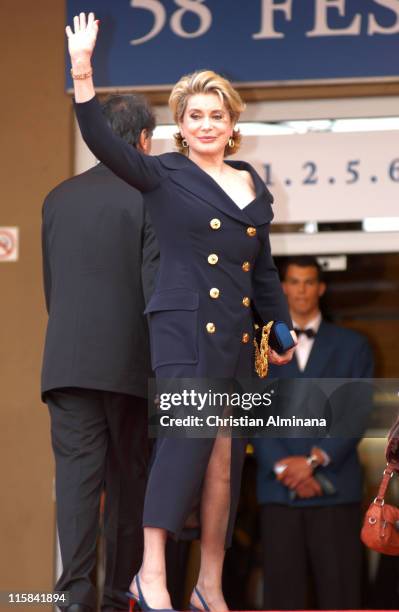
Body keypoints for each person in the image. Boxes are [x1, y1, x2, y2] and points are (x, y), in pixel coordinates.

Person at [65, 13, 296, 611]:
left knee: (224, 459)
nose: (206, 123)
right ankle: (152, 574)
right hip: (184, 328)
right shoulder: (161, 173)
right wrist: (82, 70)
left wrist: (281, 327)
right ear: (180, 125)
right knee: (183, 444)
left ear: (232, 122)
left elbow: (262, 267)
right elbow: (100, 139)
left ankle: (210, 584)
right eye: (194, 115)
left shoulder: (250, 185)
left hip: (237, 341)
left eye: (217, 114)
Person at [42, 94, 159, 612]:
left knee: (75, 485)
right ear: (143, 140)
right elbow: (154, 288)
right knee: (128, 481)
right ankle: (116, 599)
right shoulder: (150, 196)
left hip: (66, 364)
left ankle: (71, 597)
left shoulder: (57, 197)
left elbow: (53, 288)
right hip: (130, 365)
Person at [254, 256, 374, 610]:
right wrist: (283, 467)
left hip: (336, 490)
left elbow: (356, 412)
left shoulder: (354, 345)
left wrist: (313, 461)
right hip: (278, 490)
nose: (301, 289)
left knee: (341, 596)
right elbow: (253, 415)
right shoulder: (260, 348)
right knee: (282, 598)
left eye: (309, 282)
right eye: (294, 281)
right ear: (283, 287)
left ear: (320, 288)